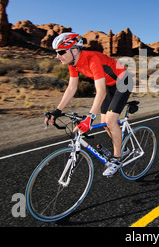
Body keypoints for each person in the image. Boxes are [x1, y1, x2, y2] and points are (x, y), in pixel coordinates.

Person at [45, 32, 132, 177]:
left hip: (123, 83)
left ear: (74, 50)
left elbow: (101, 92)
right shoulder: (73, 63)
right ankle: (123, 148)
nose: (57, 56)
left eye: (61, 52)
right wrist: (57, 111)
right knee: (105, 122)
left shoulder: (92, 58)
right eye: (56, 53)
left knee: (110, 120)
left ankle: (117, 160)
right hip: (110, 85)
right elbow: (72, 88)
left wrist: (90, 117)